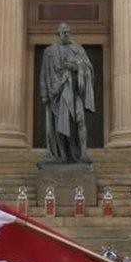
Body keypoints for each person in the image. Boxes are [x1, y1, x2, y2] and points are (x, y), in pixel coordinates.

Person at [38, 22, 95, 165]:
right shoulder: (49, 52)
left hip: (75, 93)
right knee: (60, 125)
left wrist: (76, 67)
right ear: (58, 34)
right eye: (64, 32)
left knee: (81, 120)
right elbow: (44, 73)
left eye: (69, 32)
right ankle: (62, 155)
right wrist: (44, 93)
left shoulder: (78, 49)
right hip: (57, 94)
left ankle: (83, 153)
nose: (67, 34)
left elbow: (88, 68)